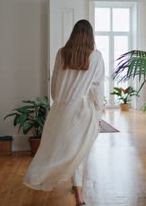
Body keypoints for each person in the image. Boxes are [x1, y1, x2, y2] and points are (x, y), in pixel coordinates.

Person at [23, 19, 105, 206]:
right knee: (78, 153)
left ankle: (69, 187)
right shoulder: (96, 56)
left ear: (73, 34)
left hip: (62, 109)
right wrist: (99, 111)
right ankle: (79, 195)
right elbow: (97, 88)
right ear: (90, 36)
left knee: (61, 151)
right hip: (84, 110)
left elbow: (54, 87)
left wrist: (61, 100)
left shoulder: (62, 53)